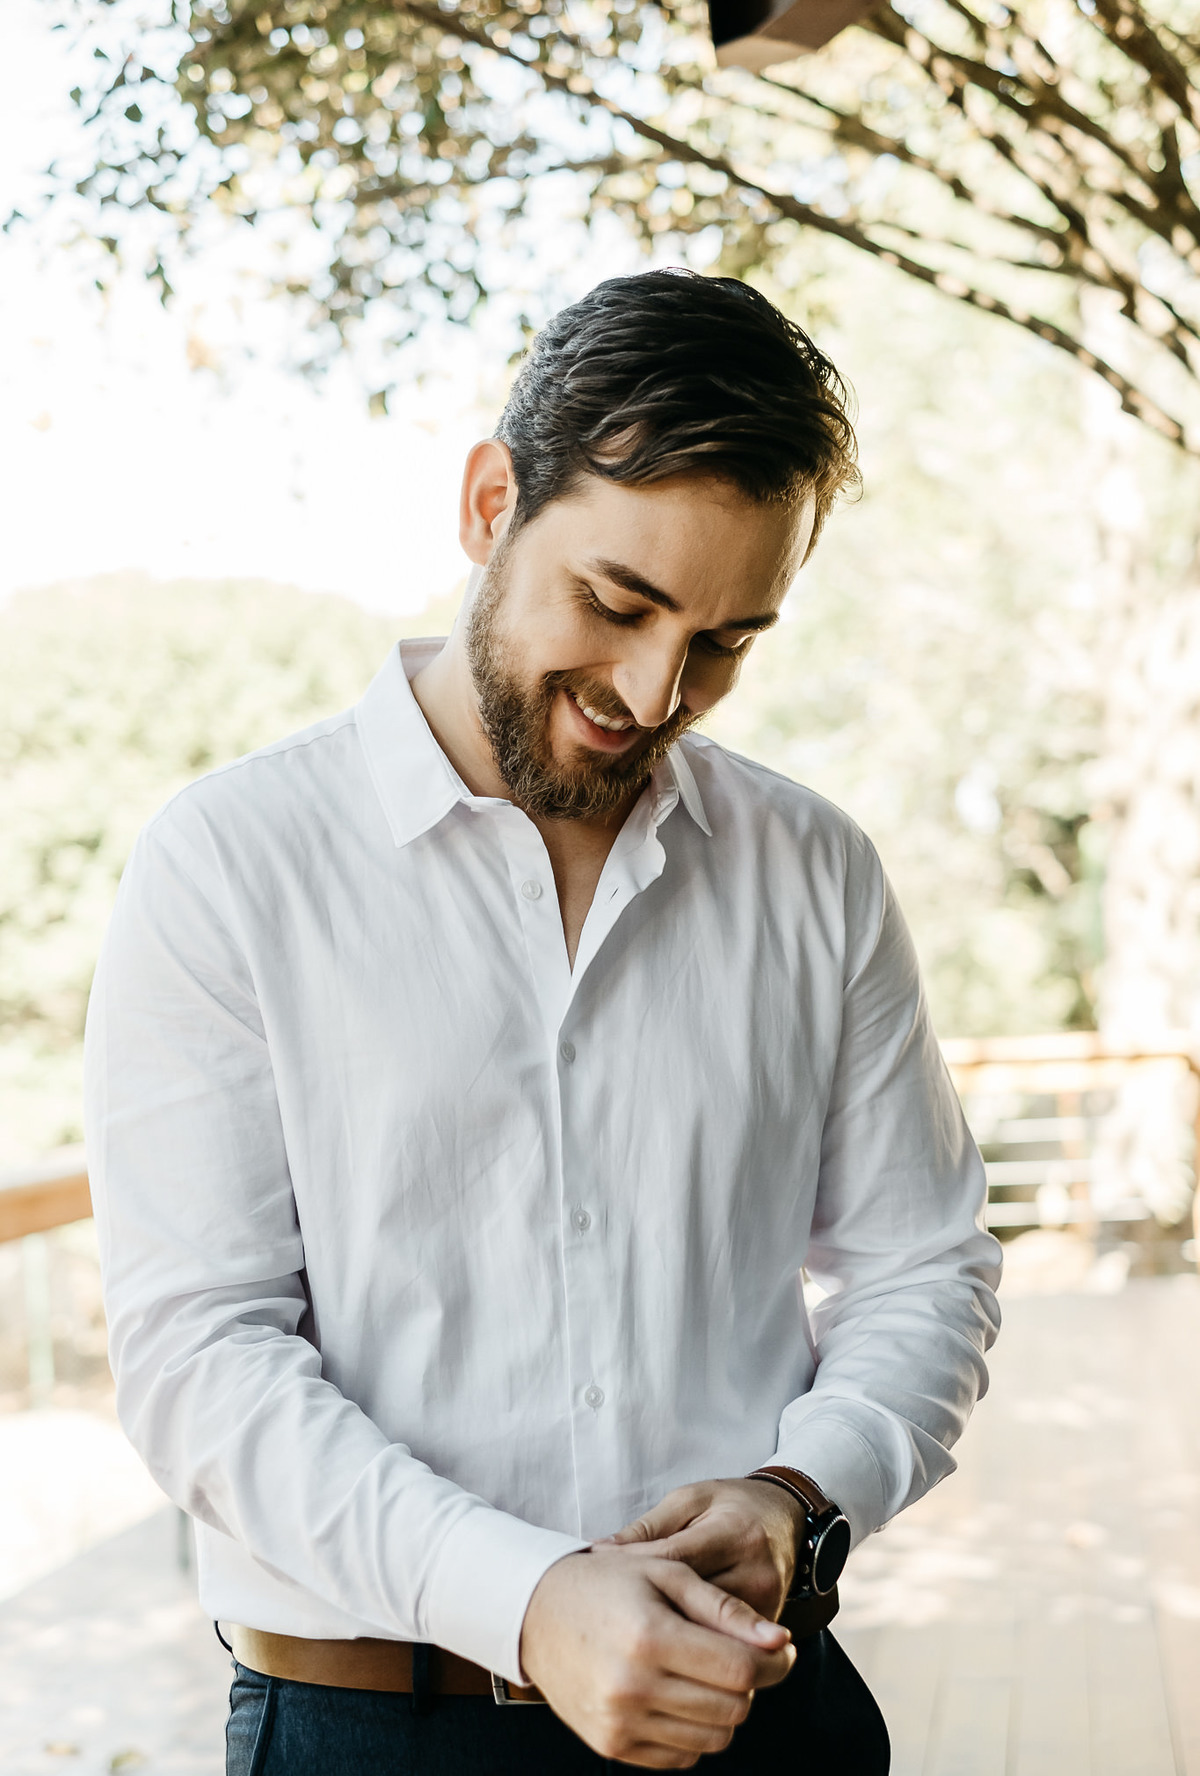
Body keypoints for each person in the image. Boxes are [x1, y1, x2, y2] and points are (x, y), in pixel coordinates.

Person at [85, 270, 1001, 1775]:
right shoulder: (230, 864)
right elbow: (201, 1358)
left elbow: (924, 1263)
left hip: (762, 1721)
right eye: (618, 603)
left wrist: (798, 1493)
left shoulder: (817, 870)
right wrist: (526, 1602)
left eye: (723, 642)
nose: (654, 692)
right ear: (489, 503)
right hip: (375, 1727)